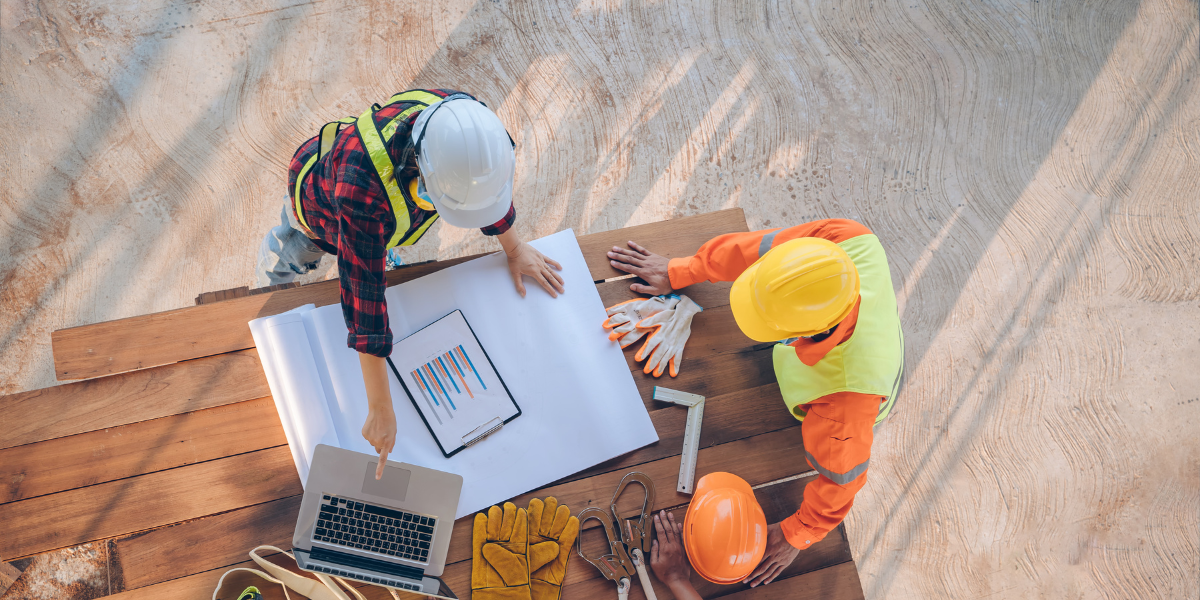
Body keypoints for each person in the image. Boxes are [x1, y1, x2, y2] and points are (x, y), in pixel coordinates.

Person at [257, 89, 565, 478]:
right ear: (419, 172)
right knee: (289, 259)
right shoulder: (361, 193)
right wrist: (381, 409)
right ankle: (271, 279)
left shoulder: (465, 126)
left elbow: (484, 191)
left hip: (374, 216)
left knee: (372, 245)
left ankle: (378, 245)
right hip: (316, 215)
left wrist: (514, 246)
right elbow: (363, 295)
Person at [609, 219, 904, 587]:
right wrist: (682, 270)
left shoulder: (842, 413)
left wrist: (800, 532)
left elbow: (843, 481)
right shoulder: (845, 240)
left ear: (804, 332)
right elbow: (756, 249)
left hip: (862, 384)